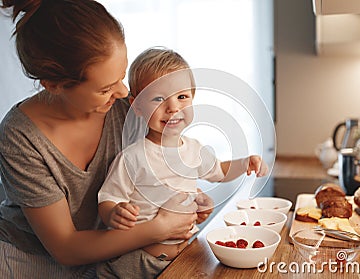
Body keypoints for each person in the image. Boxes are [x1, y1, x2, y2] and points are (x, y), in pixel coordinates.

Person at [0, 1, 213, 278]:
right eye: (105, 88)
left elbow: (156, 166)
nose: (123, 91)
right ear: (53, 85)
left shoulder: (125, 107)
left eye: (121, 76)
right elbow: (65, 248)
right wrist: (158, 229)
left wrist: (183, 194)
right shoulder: (20, 138)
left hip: (111, 256)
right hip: (31, 264)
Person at [96, 47, 269, 278]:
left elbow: (219, 171)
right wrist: (113, 213)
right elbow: (109, 197)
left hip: (186, 255)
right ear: (137, 105)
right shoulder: (132, 157)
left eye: (182, 97)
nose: (173, 108)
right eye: (158, 99)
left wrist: (245, 162)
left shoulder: (194, 149)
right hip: (140, 262)